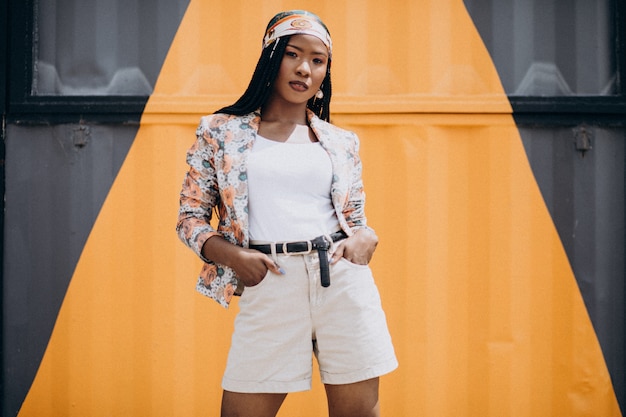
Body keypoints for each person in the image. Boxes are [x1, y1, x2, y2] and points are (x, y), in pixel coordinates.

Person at [177, 10, 397, 417]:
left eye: (318, 60)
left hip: (343, 285)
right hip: (271, 281)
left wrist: (367, 238)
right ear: (270, 58)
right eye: (293, 54)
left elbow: (354, 218)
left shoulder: (340, 141)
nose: (304, 69)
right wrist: (233, 257)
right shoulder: (221, 132)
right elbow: (190, 217)